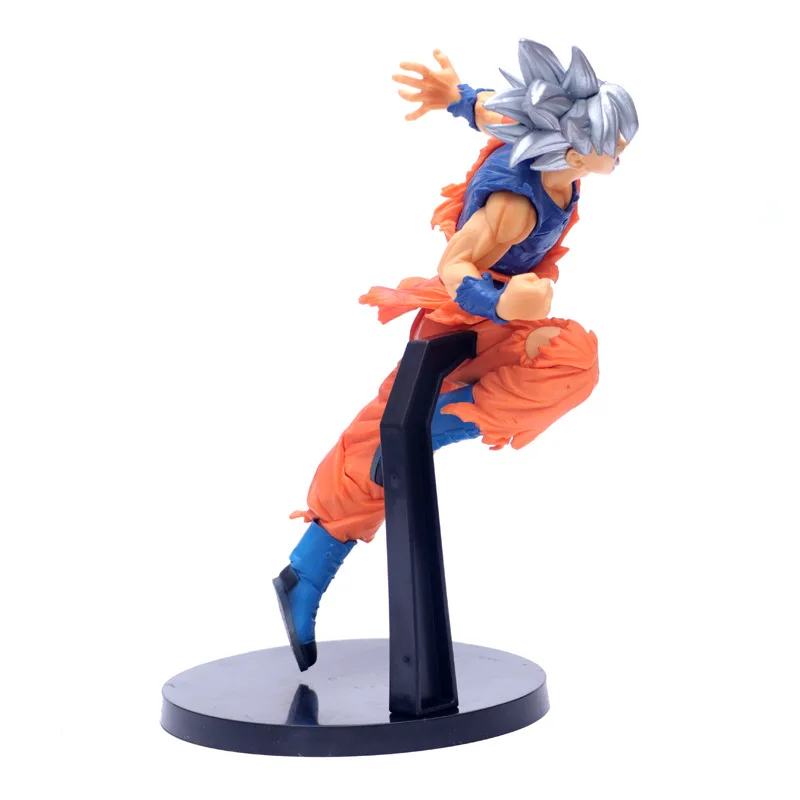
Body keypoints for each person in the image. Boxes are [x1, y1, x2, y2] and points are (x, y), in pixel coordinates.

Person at [273, 39, 639, 671]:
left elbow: (495, 109)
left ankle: (438, 425)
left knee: (574, 361)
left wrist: (454, 97)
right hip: (460, 324)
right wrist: (501, 305)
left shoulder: (549, 145)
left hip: (506, 320)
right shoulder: (514, 208)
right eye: (616, 141)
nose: (624, 149)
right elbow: (454, 266)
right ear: (577, 151)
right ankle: (307, 572)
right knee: (377, 449)